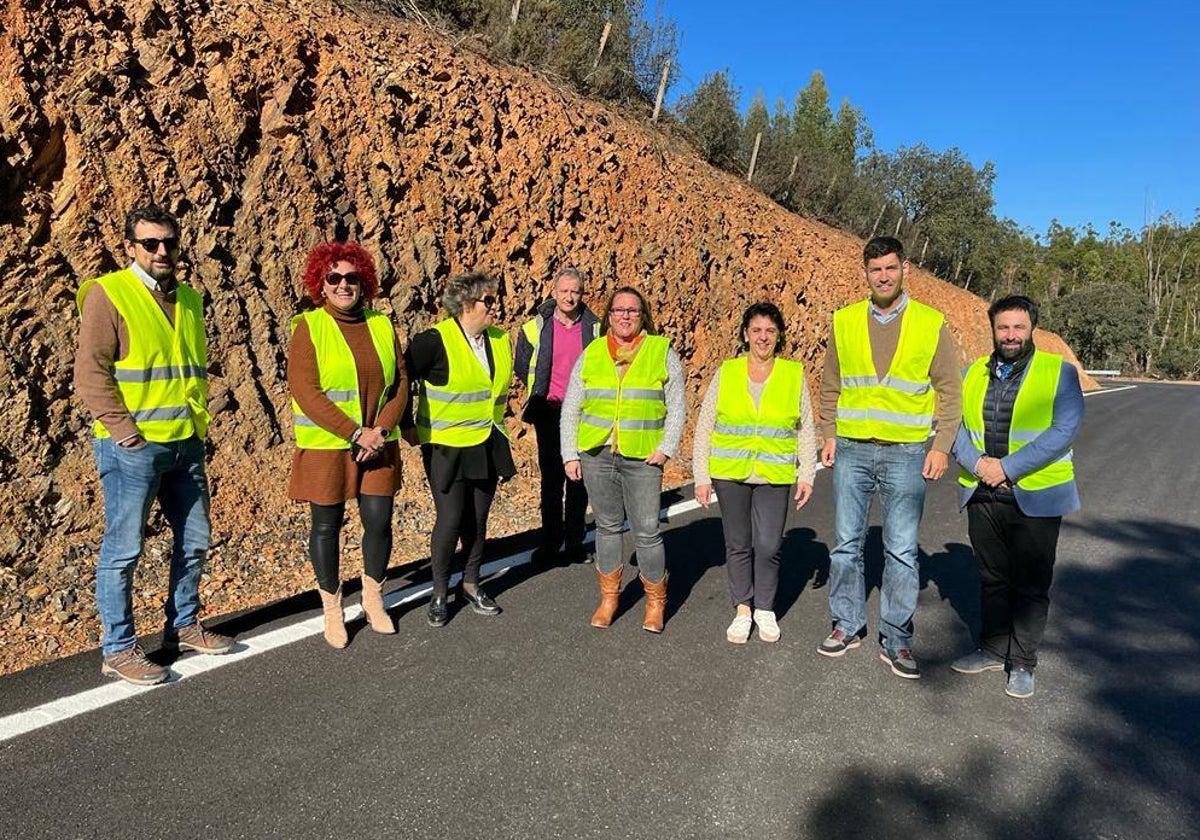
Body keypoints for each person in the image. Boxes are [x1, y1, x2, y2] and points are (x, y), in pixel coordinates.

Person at [73, 204, 233, 685]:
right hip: (131, 446)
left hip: (184, 441)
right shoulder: (110, 294)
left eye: (169, 242)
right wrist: (126, 433)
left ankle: (183, 625)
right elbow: (90, 374)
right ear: (130, 247)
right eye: (150, 243)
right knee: (124, 549)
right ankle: (119, 648)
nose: (162, 251)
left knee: (195, 539)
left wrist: (196, 428)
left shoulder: (187, 298)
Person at [817, 236, 962, 679]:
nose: (883, 276)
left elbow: (951, 391)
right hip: (853, 450)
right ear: (865, 272)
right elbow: (829, 385)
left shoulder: (929, 323)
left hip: (906, 454)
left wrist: (941, 447)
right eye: (875, 268)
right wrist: (828, 433)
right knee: (845, 546)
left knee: (901, 551)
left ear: (905, 270)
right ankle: (847, 624)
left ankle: (897, 638)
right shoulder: (844, 322)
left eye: (891, 268)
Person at [949, 295, 1083, 699]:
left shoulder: (1058, 372)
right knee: (992, 577)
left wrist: (1006, 468)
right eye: (1003, 327)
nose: (1010, 335)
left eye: (1017, 327)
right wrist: (980, 466)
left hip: (1036, 495)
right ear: (993, 330)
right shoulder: (971, 372)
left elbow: (1063, 431)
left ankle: (1022, 661)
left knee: (1031, 582)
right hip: (982, 491)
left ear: (1031, 329)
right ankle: (992, 648)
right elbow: (951, 425)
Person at [287, 243, 407, 648]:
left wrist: (381, 430)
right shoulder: (309, 326)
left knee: (379, 521)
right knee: (326, 528)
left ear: (364, 282)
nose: (343, 284)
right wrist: (356, 432)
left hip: (378, 444)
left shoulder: (382, 325)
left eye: (351, 277)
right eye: (334, 277)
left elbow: (401, 384)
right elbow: (305, 390)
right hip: (329, 446)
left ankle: (373, 601)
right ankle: (333, 611)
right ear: (320, 282)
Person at [561, 286, 686, 633]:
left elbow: (677, 406)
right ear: (609, 316)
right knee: (607, 527)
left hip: (643, 458)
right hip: (597, 454)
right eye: (619, 310)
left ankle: (655, 602)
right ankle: (609, 598)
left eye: (633, 310)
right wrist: (570, 453)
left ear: (642, 315)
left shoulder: (662, 352)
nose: (626, 316)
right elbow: (572, 406)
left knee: (646, 531)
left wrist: (666, 447)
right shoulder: (593, 352)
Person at [693, 302, 818, 644]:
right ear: (745, 334)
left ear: (779, 336)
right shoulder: (728, 371)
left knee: (768, 544)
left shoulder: (793, 374)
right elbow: (706, 424)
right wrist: (701, 475)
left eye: (770, 331)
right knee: (737, 543)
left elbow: (805, 427)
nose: (763, 337)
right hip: (730, 472)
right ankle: (743, 608)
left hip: (774, 474)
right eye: (757, 330)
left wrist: (807, 473)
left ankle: (765, 607)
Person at [405, 272, 515, 627]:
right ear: (467, 304)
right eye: (489, 301)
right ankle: (439, 593)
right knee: (451, 519)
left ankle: (470, 583)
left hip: (486, 440)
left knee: (478, 521)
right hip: (447, 446)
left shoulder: (499, 340)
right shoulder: (434, 340)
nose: (495, 307)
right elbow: (400, 377)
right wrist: (405, 424)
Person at [513, 267, 600, 565]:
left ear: (582, 293)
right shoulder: (535, 328)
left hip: (582, 413)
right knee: (551, 479)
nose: (569, 297)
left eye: (575, 291)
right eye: (564, 291)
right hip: (549, 412)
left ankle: (575, 543)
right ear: (554, 292)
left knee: (578, 478)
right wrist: (541, 390)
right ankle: (550, 543)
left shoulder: (595, 328)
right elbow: (521, 364)